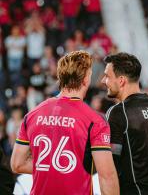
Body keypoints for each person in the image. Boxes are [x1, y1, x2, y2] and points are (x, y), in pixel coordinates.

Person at [11, 50, 119, 195]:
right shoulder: (95, 120)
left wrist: (49, 166)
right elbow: (107, 177)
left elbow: (17, 164)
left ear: (60, 78)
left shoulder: (32, 115)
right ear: (86, 80)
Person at [101, 52, 148, 195]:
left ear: (121, 80)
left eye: (107, 76)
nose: (103, 80)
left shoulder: (118, 112)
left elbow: (111, 168)